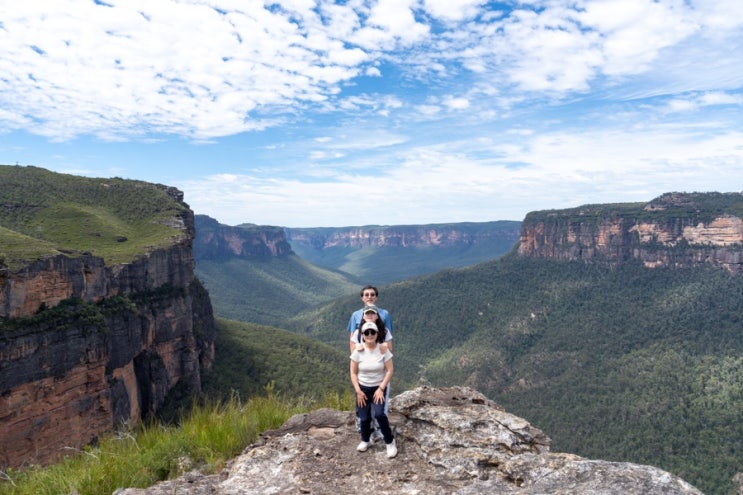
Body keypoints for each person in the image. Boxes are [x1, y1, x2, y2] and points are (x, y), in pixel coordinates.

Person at [350, 321, 397, 458]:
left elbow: (390, 370)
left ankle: (390, 441)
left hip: (378, 388)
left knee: (380, 414)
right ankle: (366, 440)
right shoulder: (358, 352)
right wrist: (358, 391)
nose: (370, 335)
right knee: (364, 418)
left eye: (372, 332)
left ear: (377, 334)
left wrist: (381, 388)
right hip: (363, 389)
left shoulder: (383, 350)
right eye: (366, 332)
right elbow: (353, 372)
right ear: (363, 335)